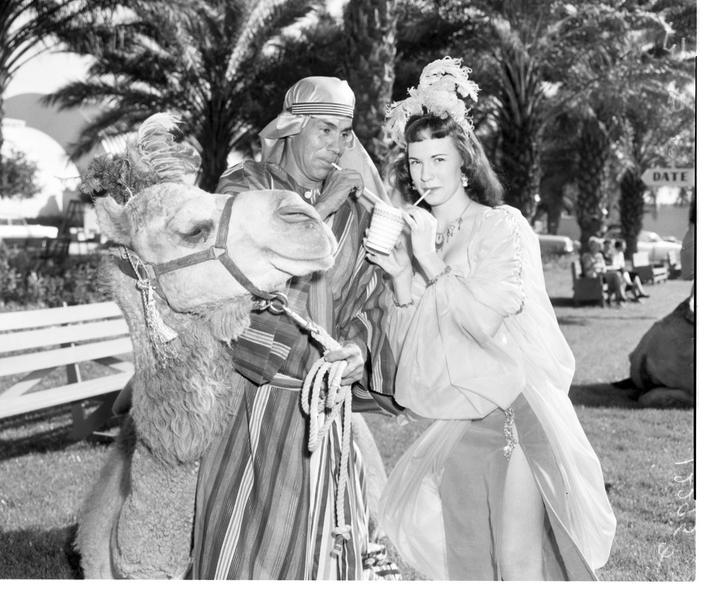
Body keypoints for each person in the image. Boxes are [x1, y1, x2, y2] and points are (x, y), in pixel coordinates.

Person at [366, 57, 616, 580]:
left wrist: (430, 263)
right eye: (416, 163)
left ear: (465, 162)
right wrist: (399, 278)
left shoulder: (502, 227)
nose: (427, 174)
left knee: (518, 559)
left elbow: (480, 321)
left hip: (511, 413)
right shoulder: (418, 236)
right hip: (456, 422)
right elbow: (416, 348)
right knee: (468, 558)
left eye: (439, 159)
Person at [191, 76, 401, 580]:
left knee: (327, 546)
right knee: (244, 546)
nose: (336, 146)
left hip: (328, 412)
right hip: (254, 409)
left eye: (344, 134)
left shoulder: (354, 213)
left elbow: (369, 299)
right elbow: (235, 286)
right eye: (324, 130)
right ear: (291, 129)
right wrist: (321, 211)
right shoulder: (245, 188)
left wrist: (357, 347)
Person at [581, 236, 628, 306]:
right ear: (590, 246)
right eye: (594, 245)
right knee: (615, 276)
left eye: (597, 246)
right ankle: (620, 298)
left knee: (617, 275)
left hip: (601, 273)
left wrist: (602, 268)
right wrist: (594, 265)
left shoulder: (599, 255)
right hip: (592, 275)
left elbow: (603, 266)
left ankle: (618, 298)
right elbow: (587, 269)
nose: (596, 247)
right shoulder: (586, 256)